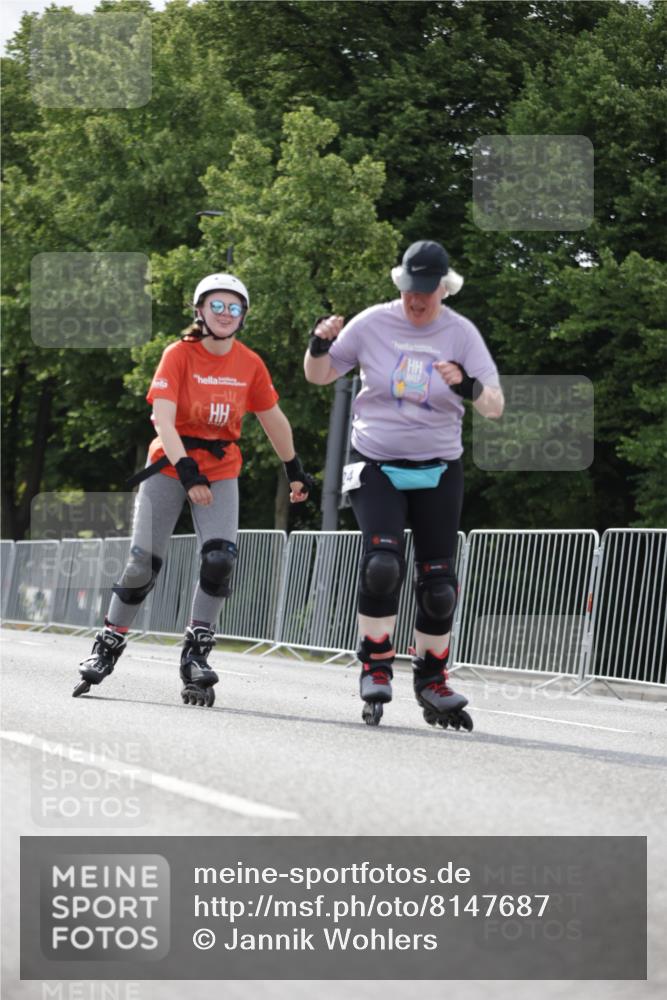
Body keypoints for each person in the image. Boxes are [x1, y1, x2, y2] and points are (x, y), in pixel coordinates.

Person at [73, 272, 313, 707]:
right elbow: (163, 419)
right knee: (143, 562)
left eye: (233, 307)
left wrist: (294, 468)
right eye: (216, 306)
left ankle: (195, 655)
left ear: (243, 315)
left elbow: (273, 418)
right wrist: (187, 471)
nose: (224, 314)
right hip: (169, 465)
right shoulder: (178, 355)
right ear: (200, 311)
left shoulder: (249, 363)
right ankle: (108, 643)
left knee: (220, 559)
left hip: (221, 468)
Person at [304, 240, 503, 729]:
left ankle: (432, 679)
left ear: (444, 288)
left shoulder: (461, 333)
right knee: (382, 565)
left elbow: (495, 404)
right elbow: (320, 376)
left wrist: (466, 386)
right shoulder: (372, 323)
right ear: (402, 285)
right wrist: (318, 344)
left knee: (439, 588)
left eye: (427, 293)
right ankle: (375, 663)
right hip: (376, 462)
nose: (417, 302)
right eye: (411, 291)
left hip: (438, 467)